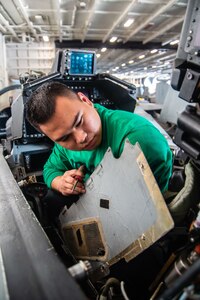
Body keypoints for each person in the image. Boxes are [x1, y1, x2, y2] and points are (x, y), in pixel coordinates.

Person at [26, 81, 173, 218]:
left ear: (86, 100)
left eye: (79, 121)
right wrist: (61, 183)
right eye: (64, 138)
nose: (81, 137)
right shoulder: (64, 144)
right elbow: (50, 169)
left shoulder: (138, 139)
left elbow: (129, 208)